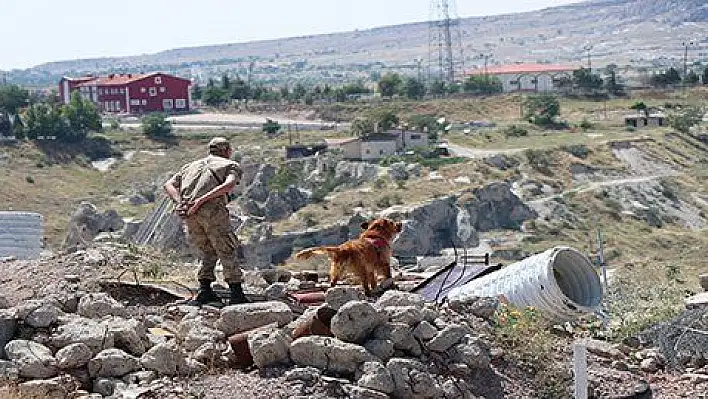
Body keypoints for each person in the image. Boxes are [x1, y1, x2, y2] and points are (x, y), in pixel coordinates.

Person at [163, 137, 248, 306]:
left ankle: (205, 289)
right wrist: (202, 200)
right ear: (227, 151)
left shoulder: (190, 166)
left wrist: (180, 203)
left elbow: (169, 184)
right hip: (212, 211)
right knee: (226, 247)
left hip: (189, 214)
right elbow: (229, 184)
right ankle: (236, 293)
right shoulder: (229, 165)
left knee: (207, 250)